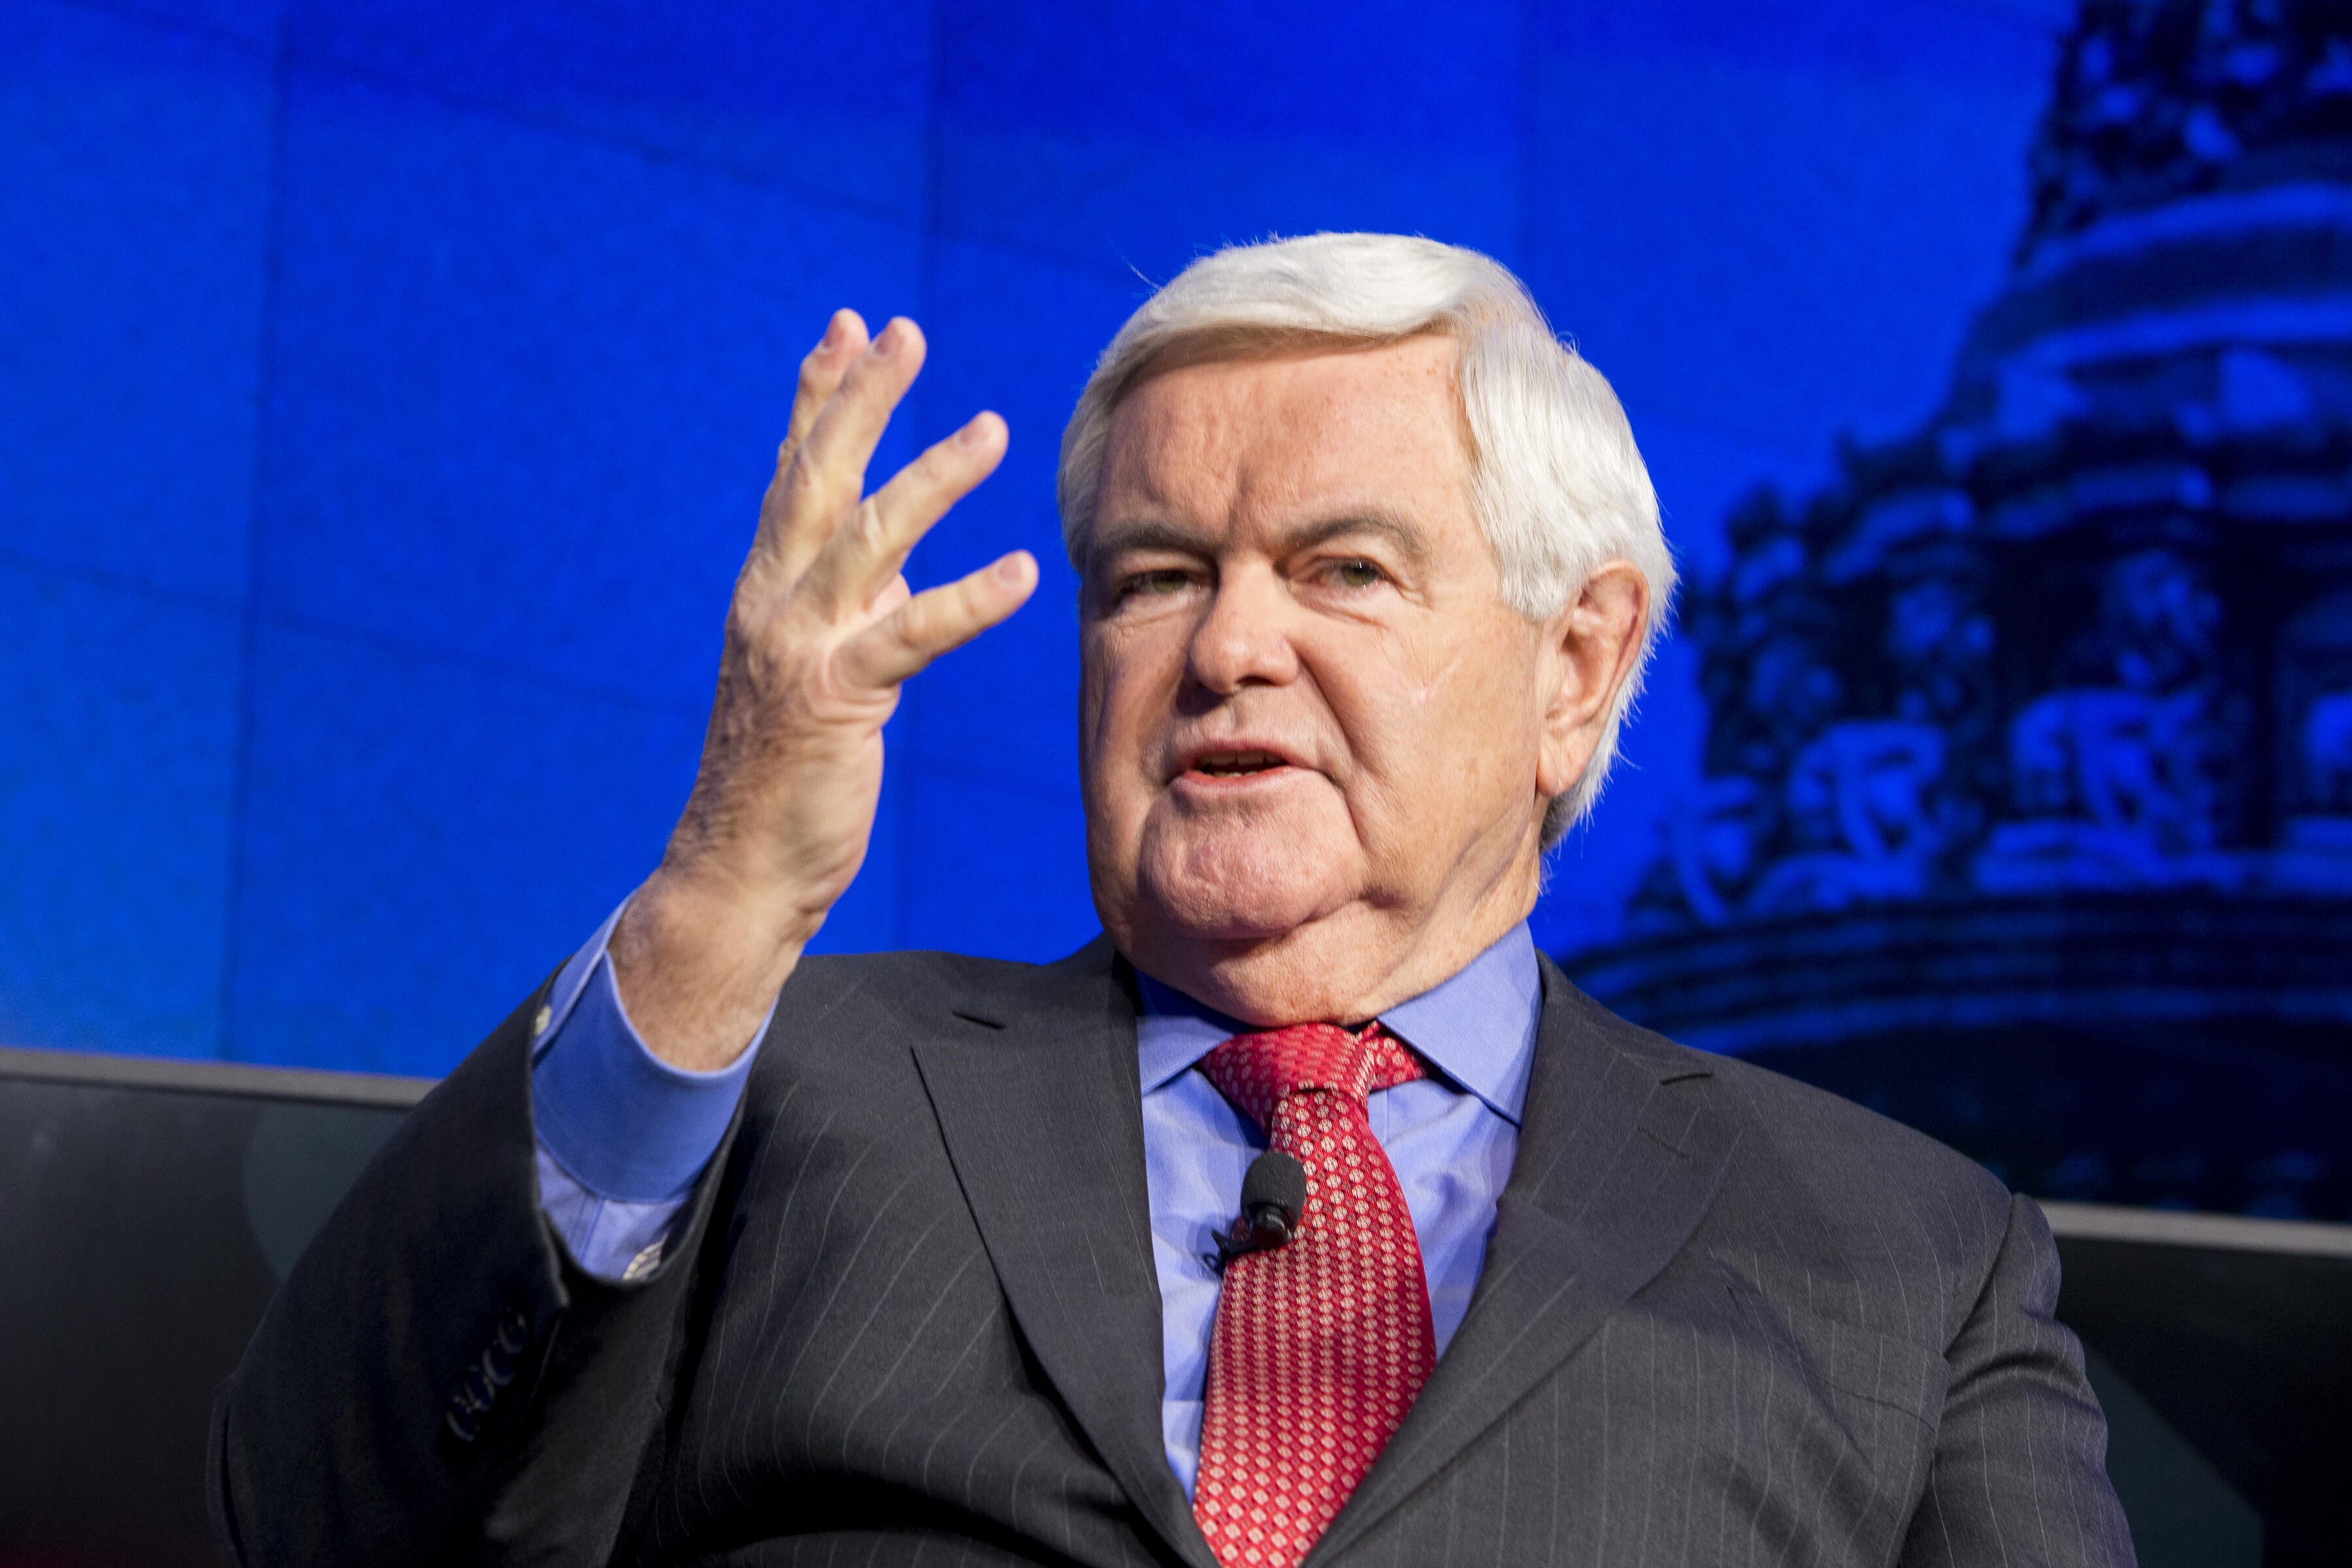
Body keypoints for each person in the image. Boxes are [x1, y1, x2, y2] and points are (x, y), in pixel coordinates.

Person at [209, 234, 2134, 1567]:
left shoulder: (1905, 1261)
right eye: (1151, 579)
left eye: (1345, 572)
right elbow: (315, 1523)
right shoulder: (793, 1085)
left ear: (1577, 667)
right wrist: (720, 893)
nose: (1227, 649)